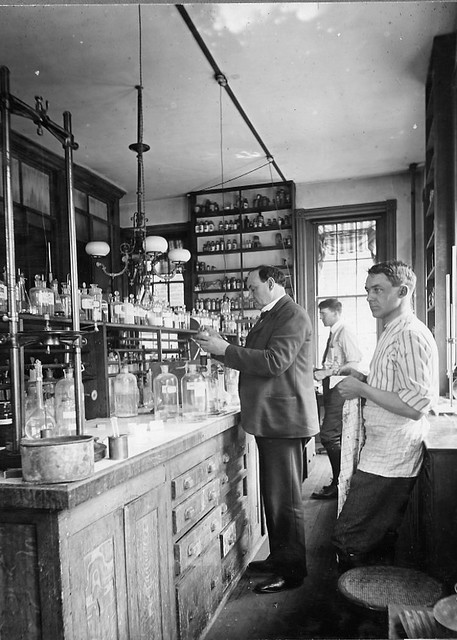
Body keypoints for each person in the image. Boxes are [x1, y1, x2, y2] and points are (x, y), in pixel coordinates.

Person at [195, 265, 319, 594]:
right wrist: (220, 348)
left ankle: (292, 571)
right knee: (274, 496)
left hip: (284, 420)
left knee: (285, 500)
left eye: (253, 287)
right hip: (272, 419)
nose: (249, 293)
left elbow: (273, 362)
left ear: (272, 282)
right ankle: (280, 557)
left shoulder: (291, 315)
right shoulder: (270, 315)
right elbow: (256, 356)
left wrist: (225, 350)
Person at [332, 260, 439, 570]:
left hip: (392, 456)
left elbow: (415, 406)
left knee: (348, 538)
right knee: (371, 540)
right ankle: (374, 611)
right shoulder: (393, 330)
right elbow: (397, 386)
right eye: (367, 291)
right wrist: (364, 378)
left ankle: (359, 617)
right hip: (380, 452)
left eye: (378, 290)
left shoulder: (409, 334)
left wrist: (362, 390)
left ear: (403, 291)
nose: (369, 297)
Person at [312, 298, 363, 500]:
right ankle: (340, 482)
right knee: (334, 435)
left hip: (340, 388)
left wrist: (326, 373)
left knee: (329, 435)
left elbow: (355, 361)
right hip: (332, 388)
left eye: (323, 313)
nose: (321, 317)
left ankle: (338, 484)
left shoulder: (345, 332)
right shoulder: (335, 332)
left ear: (335, 313)